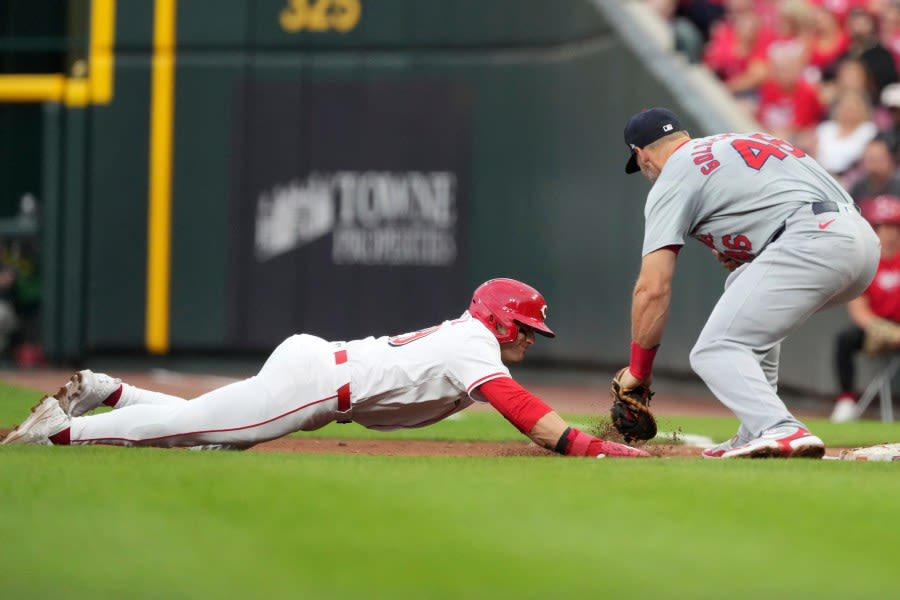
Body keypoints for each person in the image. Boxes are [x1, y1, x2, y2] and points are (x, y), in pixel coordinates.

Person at [1, 278, 650, 458]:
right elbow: (525, 414)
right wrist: (588, 447)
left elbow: (519, 402)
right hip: (317, 384)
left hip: (318, 365)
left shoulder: (470, 338)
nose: (532, 339)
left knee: (207, 423)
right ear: (504, 320)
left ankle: (107, 390)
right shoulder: (475, 346)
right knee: (201, 435)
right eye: (529, 329)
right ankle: (60, 433)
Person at [619, 106, 880, 459]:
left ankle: (779, 427)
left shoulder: (673, 175)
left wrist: (640, 371)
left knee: (715, 349)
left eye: (640, 165)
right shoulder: (740, 140)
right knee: (742, 289)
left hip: (810, 238)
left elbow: (652, 288)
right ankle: (755, 429)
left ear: (642, 154)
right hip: (860, 241)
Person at [830, 194, 900, 422]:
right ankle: (846, 400)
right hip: (876, 325)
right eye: (881, 226)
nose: (888, 233)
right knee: (844, 339)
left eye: (893, 227)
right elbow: (859, 309)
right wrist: (884, 330)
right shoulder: (865, 261)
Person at [847, 135, 900, 202]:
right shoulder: (858, 187)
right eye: (869, 159)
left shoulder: (897, 185)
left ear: (890, 159)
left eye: (877, 159)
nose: (872, 164)